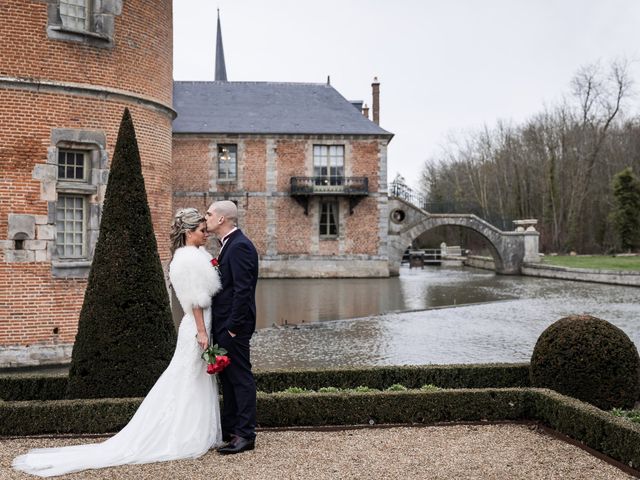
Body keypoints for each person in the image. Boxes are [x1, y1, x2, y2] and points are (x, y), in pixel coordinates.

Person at [13, 208, 222, 477]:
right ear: (187, 232)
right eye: (202, 231)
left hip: (193, 328)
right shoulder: (190, 259)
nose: (206, 235)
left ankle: (190, 430)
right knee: (187, 380)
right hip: (196, 328)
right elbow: (196, 301)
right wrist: (203, 332)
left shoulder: (186, 257)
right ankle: (184, 434)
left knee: (190, 380)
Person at [206, 200, 259, 455]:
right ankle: (231, 430)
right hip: (223, 325)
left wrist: (233, 329)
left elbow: (243, 291)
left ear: (221, 219)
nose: (205, 217)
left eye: (209, 213)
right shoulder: (228, 246)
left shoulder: (239, 247)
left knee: (240, 379)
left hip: (232, 327)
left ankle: (246, 435)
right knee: (227, 380)